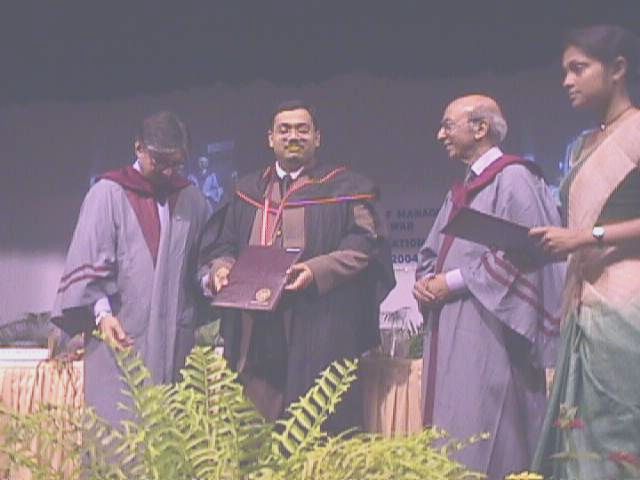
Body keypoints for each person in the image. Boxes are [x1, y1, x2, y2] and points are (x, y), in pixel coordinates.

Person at [198, 100, 395, 432]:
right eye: (284, 130)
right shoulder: (247, 191)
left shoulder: (345, 189)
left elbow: (365, 245)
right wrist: (221, 268)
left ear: (317, 137)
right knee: (254, 423)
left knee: (317, 421)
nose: (293, 136)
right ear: (270, 138)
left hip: (319, 321)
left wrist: (316, 270)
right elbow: (223, 244)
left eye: (302, 129)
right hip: (256, 329)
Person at [414, 95, 565, 479]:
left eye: (448, 125)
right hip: (454, 324)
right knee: (454, 425)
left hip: (494, 329)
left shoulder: (514, 178)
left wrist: (450, 282)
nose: (440, 135)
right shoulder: (463, 189)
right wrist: (425, 283)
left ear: (480, 128)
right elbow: (433, 250)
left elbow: (528, 252)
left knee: (490, 427)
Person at [51, 111, 211, 427]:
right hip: (120, 334)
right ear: (139, 148)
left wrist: (212, 278)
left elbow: (203, 261)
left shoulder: (192, 199)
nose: (168, 171)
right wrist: (102, 315)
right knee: (119, 431)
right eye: (160, 161)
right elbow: (90, 263)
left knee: (172, 435)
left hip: (175, 341)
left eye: (176, 163)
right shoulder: (107, 193)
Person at [531, 25, 640, 480]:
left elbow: (588, 232)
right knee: (578, 436)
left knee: (620, 431)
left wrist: (584, 238)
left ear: (617, 69)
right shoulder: (580, 145)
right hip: (579, 303)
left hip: (625, 306)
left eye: (579, 69)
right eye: (565, 71)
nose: (567, 81)